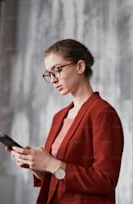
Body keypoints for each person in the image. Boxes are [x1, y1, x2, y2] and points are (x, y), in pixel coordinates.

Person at [9, 39, 124, 204]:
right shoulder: (59, 116)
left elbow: (105, 181)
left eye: (57, 70)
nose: (53, 79)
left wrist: (51, 164)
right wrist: (36, 165)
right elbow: (58, 175)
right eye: (49, 74)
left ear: (80, 67)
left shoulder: (102, 113)